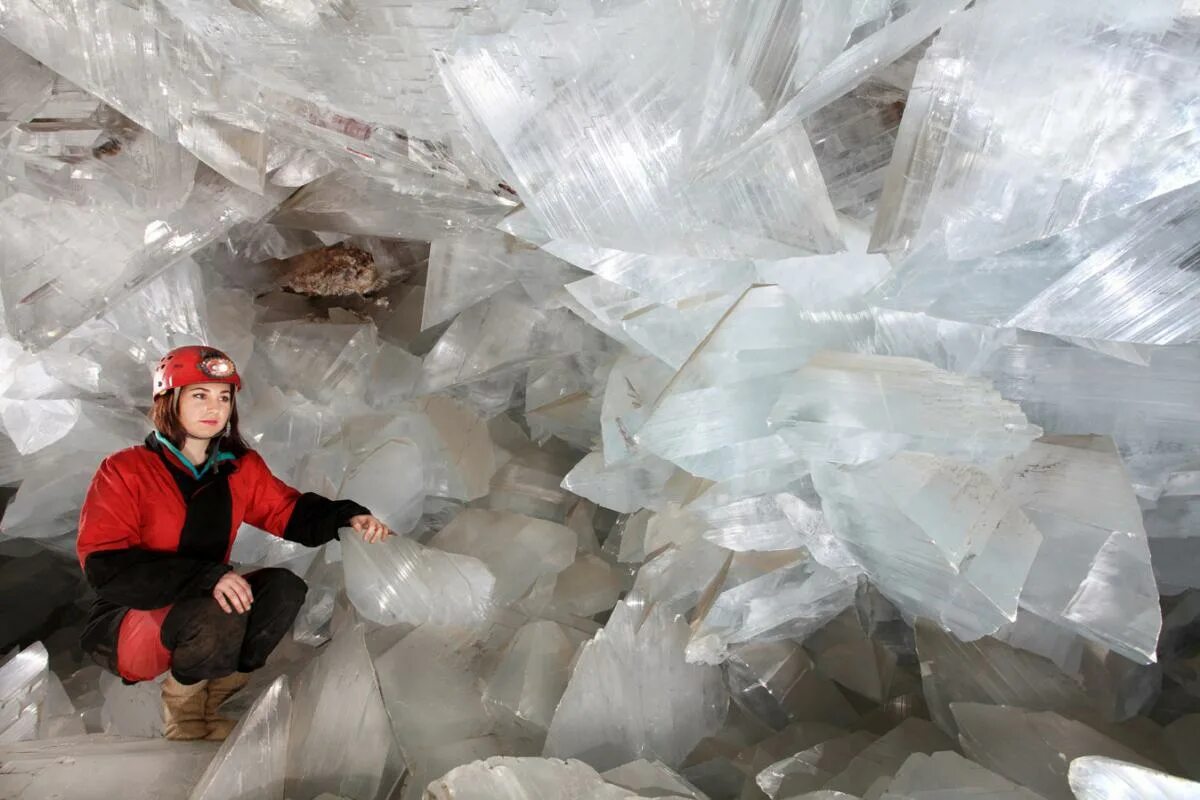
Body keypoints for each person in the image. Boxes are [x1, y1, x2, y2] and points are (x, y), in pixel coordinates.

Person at [75, 345, 392, 741]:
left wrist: (347, 516)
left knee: (283, 589)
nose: (215, 407)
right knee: (218, 606)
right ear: (169, 401)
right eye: (199, 395)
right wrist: (206, 577)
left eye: (224, 397)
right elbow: (106, 565)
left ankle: (216, 700)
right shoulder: (125, 470)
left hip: (206, 600)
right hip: (132, 618)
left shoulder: (239, 468)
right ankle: (185, 714)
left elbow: (288, 511)